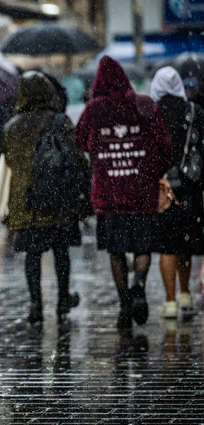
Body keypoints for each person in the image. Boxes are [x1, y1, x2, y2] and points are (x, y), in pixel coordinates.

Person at [75, 56, 172, 330]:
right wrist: (151, 172)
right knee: (143, 246)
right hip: (141, 192)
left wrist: (101, 156)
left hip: (109, 195)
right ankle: (138, 282)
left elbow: (80, 140)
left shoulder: (94, 110)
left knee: (116, 251)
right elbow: (165, 146)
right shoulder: (145, 105)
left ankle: (124, 306)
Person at [3, 72, 85, 324]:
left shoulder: (11, 127)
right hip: (58, 197)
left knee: (33, 254)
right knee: (61, 251)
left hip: (26, 201)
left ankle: (35, 303)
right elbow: (75, 156)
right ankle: (62, 300)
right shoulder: (61, 122)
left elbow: (9, 161)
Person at [150, 67, 204, 318]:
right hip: (191, 187)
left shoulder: (150, 112)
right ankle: (185, 294)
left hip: (162, 187)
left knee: (167, 246)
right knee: (186, 242)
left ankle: (169, 301)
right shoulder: (194, 111)